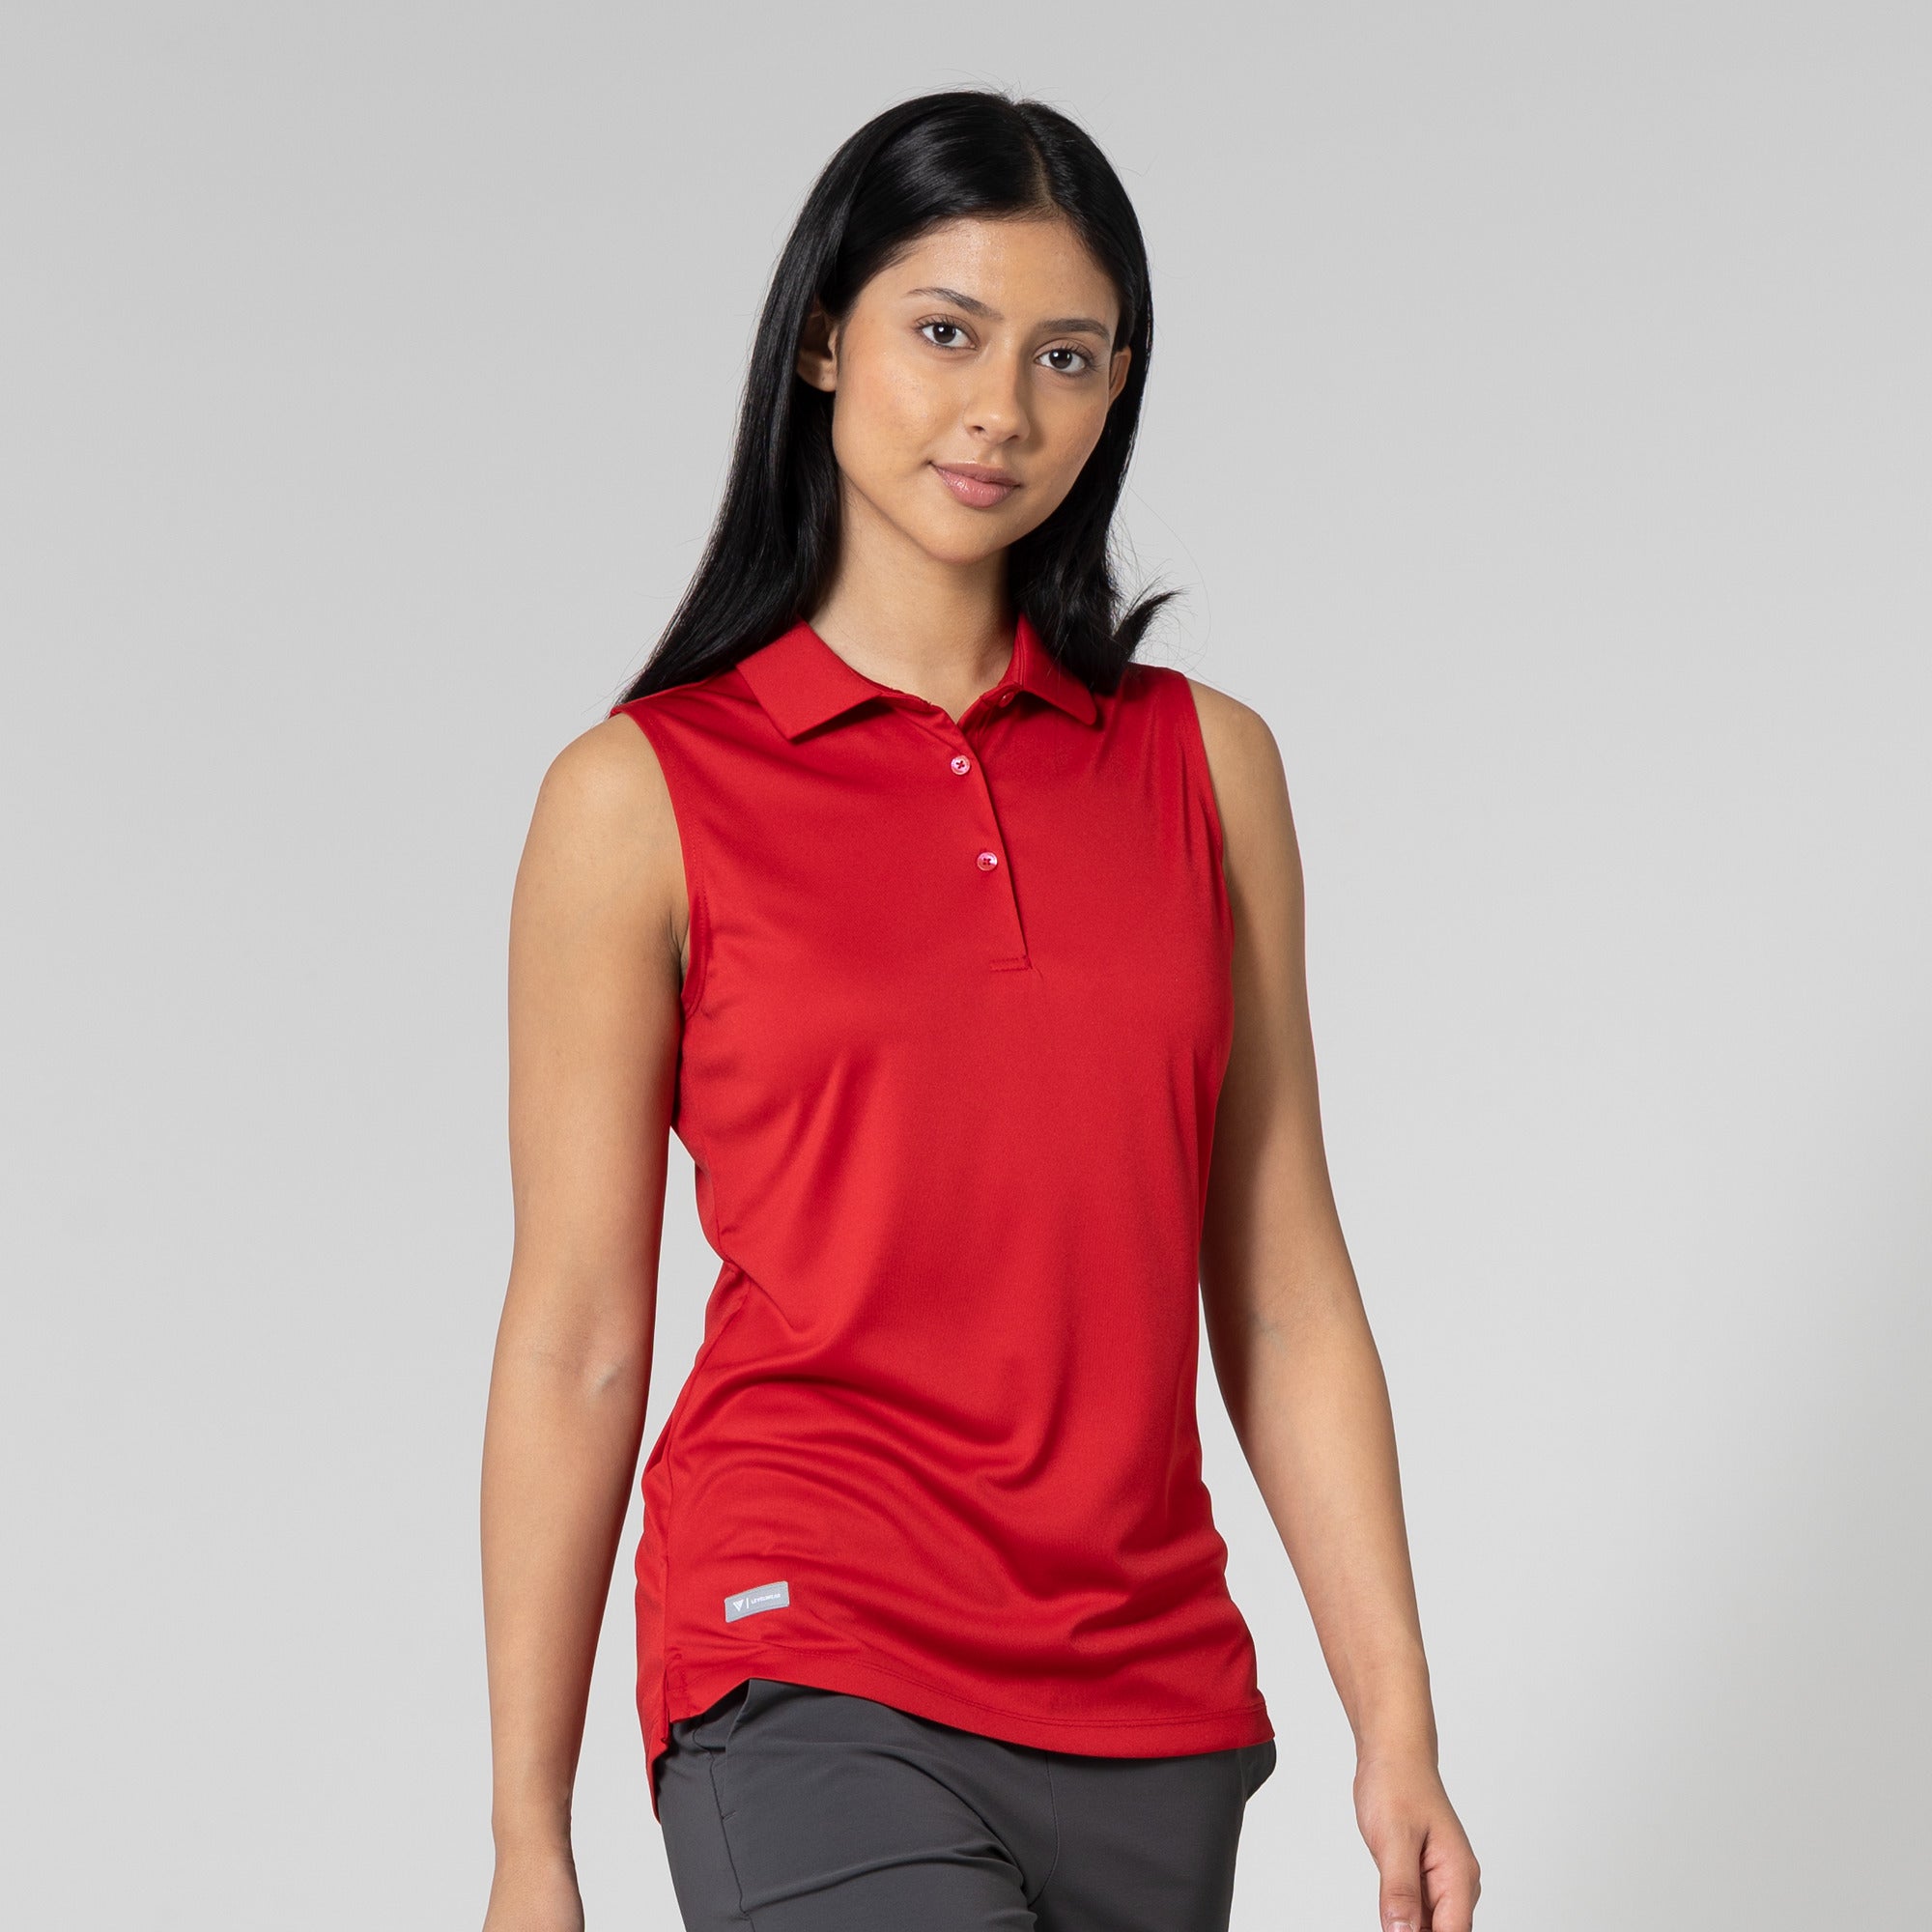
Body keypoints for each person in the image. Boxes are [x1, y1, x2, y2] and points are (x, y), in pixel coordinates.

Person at [479, 89, 1481, 1932]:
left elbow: (1281, 1287)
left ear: (1117, 393)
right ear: (822, 340)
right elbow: (579, 1338)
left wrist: (1395, 1723)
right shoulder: (640, 798)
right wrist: (527, 1839)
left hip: (1151, 1698)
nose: (1002, 408)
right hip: (807, 1645)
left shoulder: (1206, 768)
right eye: (945, 331)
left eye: (1065, 356)